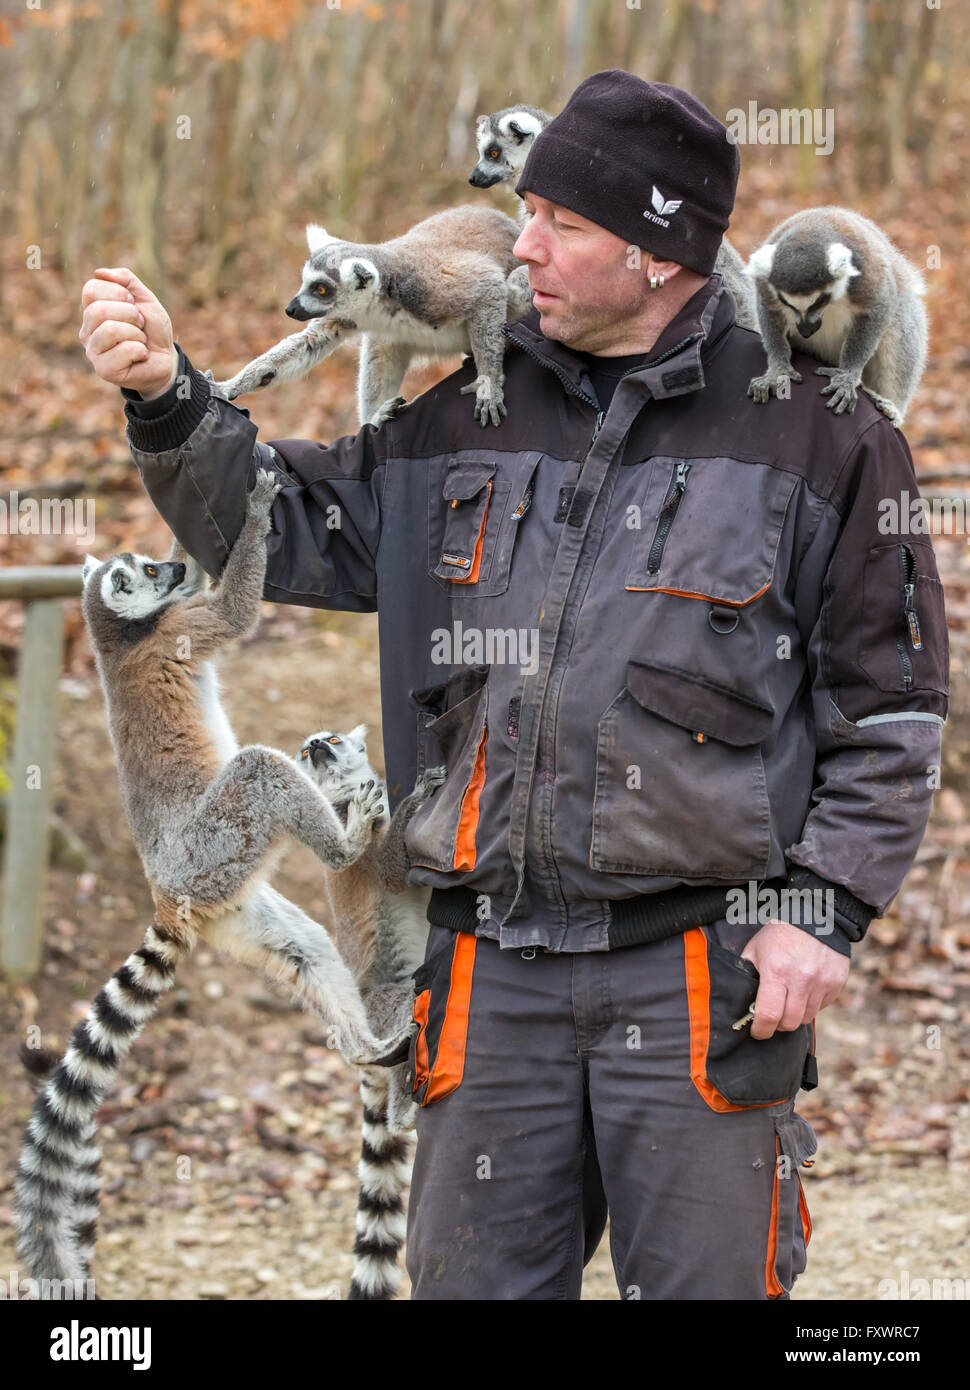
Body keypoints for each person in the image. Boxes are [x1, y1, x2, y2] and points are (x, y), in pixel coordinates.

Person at [79, 71, 948, 1300]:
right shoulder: (466, 416)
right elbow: (292, 523)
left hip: (706, 977)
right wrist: (169, 399)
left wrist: (823, 916)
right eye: (526, 210)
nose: (517, 242)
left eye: (563, 224)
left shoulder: (820, 434)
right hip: (488, 978)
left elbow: (893, 712)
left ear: (657, 252)